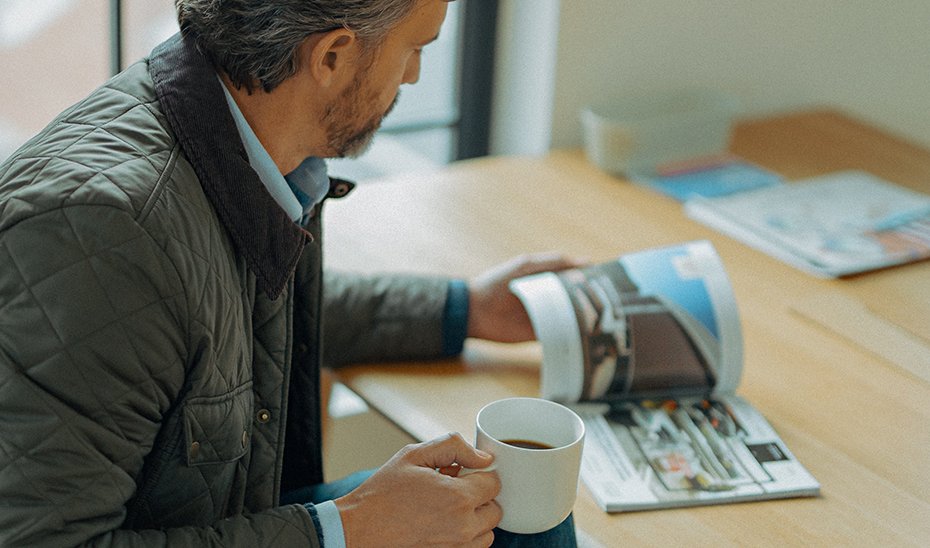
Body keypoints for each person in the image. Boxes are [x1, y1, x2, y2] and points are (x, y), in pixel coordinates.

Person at [0, 1, 580, 546]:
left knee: (523, 504)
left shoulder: (236, 137)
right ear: (331, 55)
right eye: (414, 48)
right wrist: (349, 530)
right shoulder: (106, 237)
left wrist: (468, 309)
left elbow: (220, 313)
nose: (414, 77)